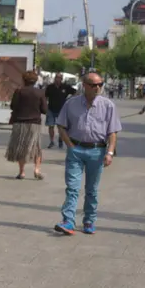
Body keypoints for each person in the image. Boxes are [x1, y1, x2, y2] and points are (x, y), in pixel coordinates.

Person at [54, 73, 121, 235]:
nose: (97, 87)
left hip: (97, 151)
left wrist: (110, 152)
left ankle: (89, 220)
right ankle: (68, 221)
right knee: (72, 188)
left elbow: (112, 132)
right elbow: (61, 125)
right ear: (84, 85)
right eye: (93, 84)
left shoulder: (108, 105)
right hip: (76, 150)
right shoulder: (71, 104)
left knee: (91, 189)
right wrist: (70, 145)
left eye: (100, 84)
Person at [5, 70, 47, 180]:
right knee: (36, 147)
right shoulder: (40, 92)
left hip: (20, 123)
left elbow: (13, 106)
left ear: (24, 80)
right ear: (35, 80)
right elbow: (44, 110)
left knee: (21, 147)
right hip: (34, 123)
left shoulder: (19, 91)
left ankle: (22, 172)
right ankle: (37, 169)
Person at [44, 73, 76, 149]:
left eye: (59, 78)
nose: (57, 79)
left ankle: (60, 140)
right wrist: (45, 105)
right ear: (54, 78)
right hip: (51, 109)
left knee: (61, 127)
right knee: (51, 126)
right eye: (56, 77)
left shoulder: (65, 87)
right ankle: (51, 141)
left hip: (62, 110)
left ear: (61, 79)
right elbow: (45, 96)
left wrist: (70, 100)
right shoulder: (50, 87)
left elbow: (75, 92)